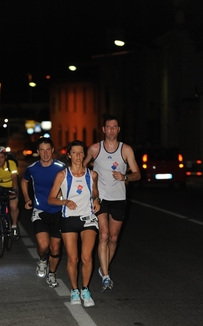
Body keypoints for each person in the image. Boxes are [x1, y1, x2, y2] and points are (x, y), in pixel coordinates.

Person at [83, 115, 141, 292]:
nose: (111, 130)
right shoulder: (95, 149)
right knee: (104, 235)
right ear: (103, 129)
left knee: (114, 239)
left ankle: (104, 266)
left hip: (119, 198)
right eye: (108, 127)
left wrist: (125, 177)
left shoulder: (126, 150)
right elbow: (81, 168)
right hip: (100, 198)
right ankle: (106, 276)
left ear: (118, 130)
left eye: (114, 127)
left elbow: (137, 174)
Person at [48, 140, 100, 307]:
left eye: (81, 152)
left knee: (86, 257)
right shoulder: (62, 175)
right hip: (69, 219)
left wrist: (97, 200)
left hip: (88, 219)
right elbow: (51, 199)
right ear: (69, 155)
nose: (78, 156)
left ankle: (85, 289)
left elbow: (95, 193)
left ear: (85, 154)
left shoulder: (92, 175)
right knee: (73, 258)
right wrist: (65, 202)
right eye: (75, 153)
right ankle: (74, 290)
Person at [21, 137, 65, 288]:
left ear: (52, 150)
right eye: (42, 150)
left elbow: (71, 182)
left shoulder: (61, 167)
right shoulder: (32, 168)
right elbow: (24, 181)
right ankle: (42, 260)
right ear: (38, 151)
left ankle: (52, 273)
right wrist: (27, 198)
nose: (45, 154)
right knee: (43, 246)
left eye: (48, 150)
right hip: (40, 210)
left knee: (55, 247)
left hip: (58, 212)